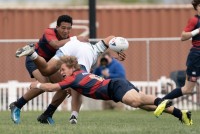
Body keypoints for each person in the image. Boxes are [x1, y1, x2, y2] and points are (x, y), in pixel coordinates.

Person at [29, 55, 193, 126]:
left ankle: (162, 100)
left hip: (114, 86)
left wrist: (35, 85)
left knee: (135, 101)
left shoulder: (73, 77)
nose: (61, 72)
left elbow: (51, 87)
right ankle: (181, 114)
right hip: (115, 87)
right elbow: (76, 94)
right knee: (144, 105)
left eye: (63, 69)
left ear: (72, 67)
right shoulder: (78, 74)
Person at [15, 33, 126, 124]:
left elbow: (111, 38)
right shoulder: (93, 54)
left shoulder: (95, 49)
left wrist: (117, 49)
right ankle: (73, 116)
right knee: (74, 88)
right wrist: (38, 85)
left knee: (47, 70)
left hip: (70, 47)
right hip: (74, 51)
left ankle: (32, 54)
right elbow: (53, 87)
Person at [9, 14, 87, 124]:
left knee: (64, 86)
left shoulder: (68, 40)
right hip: (34, 60)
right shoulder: (49, 32)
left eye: (69, 28)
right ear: (57, 27)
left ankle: (47, 115)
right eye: (63, 28)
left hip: (50, 64)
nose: (66, 31)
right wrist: (75, 39)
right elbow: (55, 45)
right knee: (44, 83)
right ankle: (17, 105)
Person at [160, 0, 200, 103]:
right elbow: (183, 37)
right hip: (197, 56)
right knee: (188, 90)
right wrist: (197, 31)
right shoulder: (194, 20)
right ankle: (161, 101)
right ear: (196, 7)